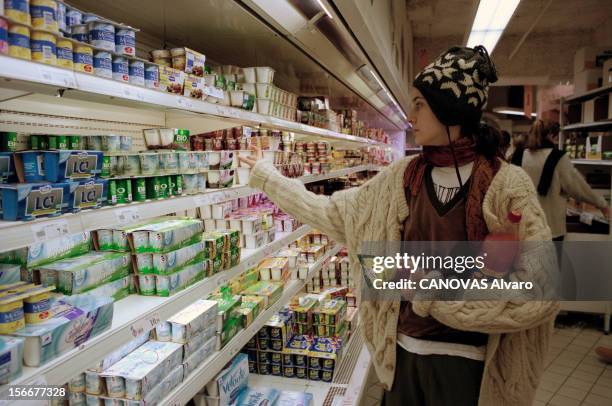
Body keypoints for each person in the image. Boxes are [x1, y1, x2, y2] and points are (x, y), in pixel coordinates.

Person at [241, 46, 559, 406]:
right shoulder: (399, 178)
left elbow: (540, 290)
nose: (411, 115)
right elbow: (333, 213)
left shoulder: (506, 186)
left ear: (450, 110)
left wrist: (430, 292)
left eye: (420, 104)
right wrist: (267, 177)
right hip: (401, 358)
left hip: (469, 369)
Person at [510, 119, 610, 241]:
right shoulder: (557, 157)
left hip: (521, 229)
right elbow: (578, 187)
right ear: (552, 135)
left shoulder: (518, 155)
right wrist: (602, 204)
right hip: (549, 231)